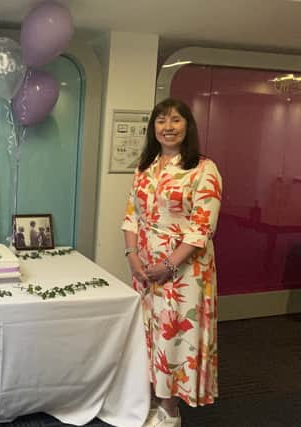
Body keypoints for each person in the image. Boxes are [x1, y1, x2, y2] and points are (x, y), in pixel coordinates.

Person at [121, 98, 222, 427]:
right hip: (146, 269)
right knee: (148, 335)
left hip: (184, 271)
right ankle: (152, 399)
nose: (168, 127)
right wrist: (133, 256)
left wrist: (169, 265)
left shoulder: (203, 169)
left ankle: (170, 410)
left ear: (187, 126)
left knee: (174, 336)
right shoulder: (145, 167)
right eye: (161, 121)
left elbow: (201, 228)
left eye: (176, 120)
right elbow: (131, 216)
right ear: (153, 128)